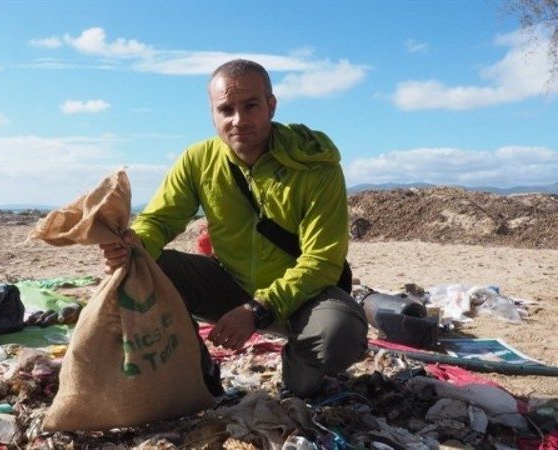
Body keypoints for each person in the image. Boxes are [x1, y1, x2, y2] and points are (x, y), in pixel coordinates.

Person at [100, 59, 368, 399]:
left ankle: (298, 366)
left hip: (303, 296)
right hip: (232, 283)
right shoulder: (199, 160)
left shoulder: (316, 167)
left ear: (271, 105)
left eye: (251, 106)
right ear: (212, 114)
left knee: (338, 336)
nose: (238, 120)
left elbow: (323, 261)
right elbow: (159, 220)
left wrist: (256, 311)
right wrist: (134, 248)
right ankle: (200, 372)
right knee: (142, 270)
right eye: (226, 109)